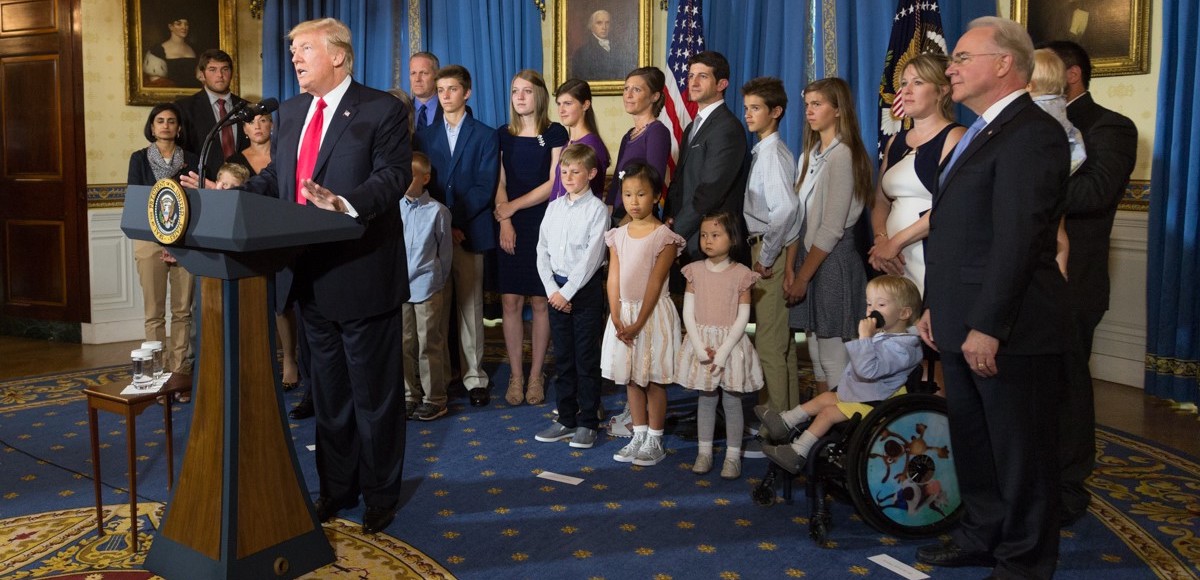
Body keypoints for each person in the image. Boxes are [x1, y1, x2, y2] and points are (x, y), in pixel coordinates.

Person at [183, 17, 412, 536]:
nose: (295, 58)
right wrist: (231, 192)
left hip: (361, 273)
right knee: (328, 396)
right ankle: (336, 489)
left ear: (338, 55)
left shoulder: (380, 109)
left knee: (373, 397)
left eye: (303, 48)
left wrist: (345, 204)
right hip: (305, 277)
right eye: (291, 51)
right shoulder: (289, 112)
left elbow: (393, 176)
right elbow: (275, 179)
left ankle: (380, 496)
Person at [916, 17, 1070, 577]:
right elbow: (957, 233)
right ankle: (981, 534)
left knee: (1021, 455)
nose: (950, 66)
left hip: (1010, 328)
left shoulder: (1034, 131)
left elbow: (1019, 239)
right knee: (975, 445)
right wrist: (937, 306)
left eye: (961, 56)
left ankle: (1025, 561)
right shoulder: (981, 129)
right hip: (960, 319)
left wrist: (988, 324)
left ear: (1004, 63)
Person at [1039, 39, 1138, 528]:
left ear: (1070, 74)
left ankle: (1066, 491)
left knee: (1069, 390)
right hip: (1026, 278)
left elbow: (1096, 192)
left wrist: (1028, 178)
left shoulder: (1111, 127)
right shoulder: (1024, 125)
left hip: (1074, 282)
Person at [759, 275, 923, 473]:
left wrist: (864, 339)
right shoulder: (884, 336)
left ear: (904, 313)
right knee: (825, 398)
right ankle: (784, 422)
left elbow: (867, 370)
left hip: (877, 403)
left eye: (881, 304)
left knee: (828, 413)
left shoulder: (903, 348)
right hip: (864, 394)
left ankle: (797, 453)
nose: (871, 310)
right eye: (869, 304)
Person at [415, 64, 499, 408]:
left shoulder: (485, 134)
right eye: (441, 90)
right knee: (436, 309)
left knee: (469, 305)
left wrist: (455, 221)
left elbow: (484, 185)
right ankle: (442, 375)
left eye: (452, 89)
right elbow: (424, 184)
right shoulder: (424, 136)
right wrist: (443, 223)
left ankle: (474, 376)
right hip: (432, 236)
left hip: (469, 232)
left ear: (467, 92)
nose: (445, 95)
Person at [784, 77, 874, 398]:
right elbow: (798, 217)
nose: (809, 111)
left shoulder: (843, 155)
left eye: (817, 104)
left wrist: (803, 278)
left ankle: (843, 437)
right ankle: (825, 436)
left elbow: (832, 227)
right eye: (807, 104)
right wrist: (790, 268)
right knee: (817, 360)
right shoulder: (810, 154)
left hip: (832, 262)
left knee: (834, 358)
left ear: (838, 110)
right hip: (810, 263)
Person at [494, 70, 568, 406]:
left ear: (540, 95)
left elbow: (555, 183)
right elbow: (499, 180)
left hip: (542, 222)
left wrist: (512, 208)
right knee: (510, 301)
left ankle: (536, 375)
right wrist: (505, 219)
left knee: (540, 301)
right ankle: (516, 375)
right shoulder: (502, 134)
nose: (520, 97)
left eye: (526, 91)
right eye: (514, 91)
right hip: (509, 222)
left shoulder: (555, 132)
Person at [603, 163, 685, 466]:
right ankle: (637, 433)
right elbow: (613, 276)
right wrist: (615, 313)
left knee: (652, 378)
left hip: (651, 316)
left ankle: (655, 438)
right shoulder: (617, 235)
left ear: (655, 197)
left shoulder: (664, 236)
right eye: (627, 195)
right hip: (624, 314)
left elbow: (654, 281)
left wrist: (638, 322)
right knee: (631, 378)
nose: (634, 202)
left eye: (641, 194)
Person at [533, 144, 611, 449]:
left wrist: (566, 292)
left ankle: (588, 421)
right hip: (556, 291)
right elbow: (542, 250)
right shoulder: (554, 207)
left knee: (586, 359)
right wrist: (552, 289)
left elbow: (592, 259)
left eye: (575, 171)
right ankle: (566, 418)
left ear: (591, 174)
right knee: (563, 357)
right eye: (563, 170)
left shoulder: (597, 210)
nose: (568, 176)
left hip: (584, 291)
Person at [868, 54, 965, 296]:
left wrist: (895, 242)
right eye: (903, 84)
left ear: (942, 91)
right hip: (893, 261)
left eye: (918, 83)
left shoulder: (955, 137)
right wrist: (881, 241)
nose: (907, 91)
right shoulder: (895, 141)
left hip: (933, 255)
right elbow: (880, 201)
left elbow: (950, 205)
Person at [676, 212, 763, 479]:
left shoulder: (741, 274)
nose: (708, 241)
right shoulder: (694, 271)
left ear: (732, 238)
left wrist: (723, 351)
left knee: (733, 402)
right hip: (701, 344)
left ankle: (733, 456)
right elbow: (688, 314)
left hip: (730, 345)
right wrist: (701, 350)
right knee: (706, 399)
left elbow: (743, 317)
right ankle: (704, 452)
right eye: (704, 235)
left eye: (715, 235)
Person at [128, 103, 199, 400]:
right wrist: (162, 240)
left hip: (185, 240)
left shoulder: (193, 159)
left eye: (172, 121)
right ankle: (156, 378)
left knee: (183, 312)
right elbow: (136, 201)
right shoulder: (139, 159)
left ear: (179, 128)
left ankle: (180, 375)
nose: (166, 125)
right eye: (160, 121)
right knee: (154, 314)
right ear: (152, 126)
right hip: (149, 240)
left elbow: (196, 202)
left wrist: (176, 241)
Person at [740, 77, 800, 416]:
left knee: (769, 343)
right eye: (747, 108)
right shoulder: (765, 151)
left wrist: (765, 257)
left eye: (756, 108)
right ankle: (787, 417)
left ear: (775, 112)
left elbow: (787, 209)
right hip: (767, 248)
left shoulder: (772, 154)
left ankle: (776, 425)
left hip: (767, 252)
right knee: (781, 343)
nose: (749, 115)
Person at [666, 51, 748, 263]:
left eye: (702, 76)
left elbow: (711, 190)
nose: (693, 82)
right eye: (691, 76)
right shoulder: (692, 127)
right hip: (686, 239)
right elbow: (680, 182)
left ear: (721, 84)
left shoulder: (727, 128)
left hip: (711, 242)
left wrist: (675, 233)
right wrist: (669, 221)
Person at [401, 152, 453, 421]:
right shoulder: (394, 207)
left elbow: (444, 253)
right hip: (400, 288)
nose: (404, 181)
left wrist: (437, 282)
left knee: (428, 343)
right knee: (404, 343)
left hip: (427, 286)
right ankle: (410, 395)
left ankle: (435, 398)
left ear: (425, 178)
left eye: (410, 175)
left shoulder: (438, 211)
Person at [1029, 48, 1087, 278]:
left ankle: (1058, 272)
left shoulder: (1035, 110)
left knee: (1053, 231)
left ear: (1029, 85)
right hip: (1063, 169)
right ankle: (1060, 270)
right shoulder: (1059, 104)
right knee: (1059, 231)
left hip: (1045, 177)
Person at [607, 67, 671, 222]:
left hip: (637, 218)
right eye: (626, 89)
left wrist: (627, 220)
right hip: (617, 215)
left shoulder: (657, 132)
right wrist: (608, 208)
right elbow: (617, 178)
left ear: (654, 96)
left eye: (636, 90)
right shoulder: (628, 135)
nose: (628, 95)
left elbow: (652, 182)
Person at [176, 49, 248, 180]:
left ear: (232, 73)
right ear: (202, 74)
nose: (220, 75)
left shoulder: (246, 107)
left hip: (243, 185)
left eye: (225, 69)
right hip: (201, 185)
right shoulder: (184, 108)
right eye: (212, 70)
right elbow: (182, 152)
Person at [549, 79, 609, 203]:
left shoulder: (592, 145)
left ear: (585, 105)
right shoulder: (568, 143)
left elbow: (594, 194)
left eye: (568, 103)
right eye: (559, 104)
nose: (561, 110)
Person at [143, 15, 200, 89]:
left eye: (186, 24)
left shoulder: (194, 48)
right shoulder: (157, 50)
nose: (184, 27)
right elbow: (156, 83)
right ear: (170, 27)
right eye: (179, 24)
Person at [570, 9, 624, 80]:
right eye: (599, 23)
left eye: (607, 23)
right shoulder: (581, 53)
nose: (604, 27)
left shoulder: (620, 49)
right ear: (591, 26)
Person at [409, 52, 441, 128]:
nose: (417, 79)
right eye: (413, 73)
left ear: (436, 75)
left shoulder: (457, 110)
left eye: (423, 73)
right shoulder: (401, 111)